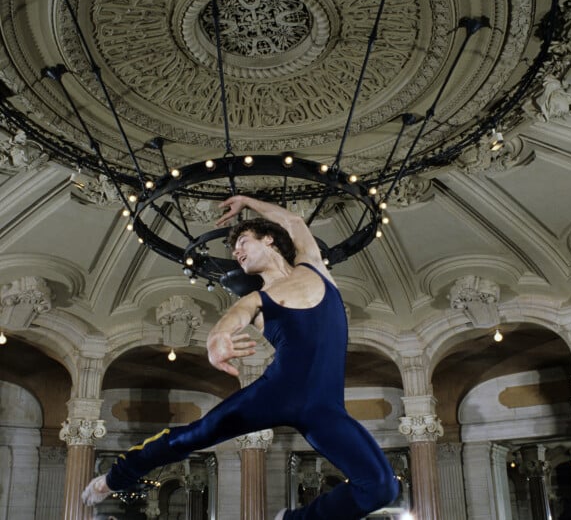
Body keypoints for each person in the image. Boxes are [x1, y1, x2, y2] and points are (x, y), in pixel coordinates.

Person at [82, 195, 399, 519]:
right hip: (274, 394)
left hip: (324, 407)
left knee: (381, 487)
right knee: (194, 436)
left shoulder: (313, 265)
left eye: (243, 242)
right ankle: (113, 478)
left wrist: (248, 201)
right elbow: (231, 320)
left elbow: (295, 222)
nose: (236, 252)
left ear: (270, 239)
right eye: (234, 250)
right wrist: (217, 340)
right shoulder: (255, 299)